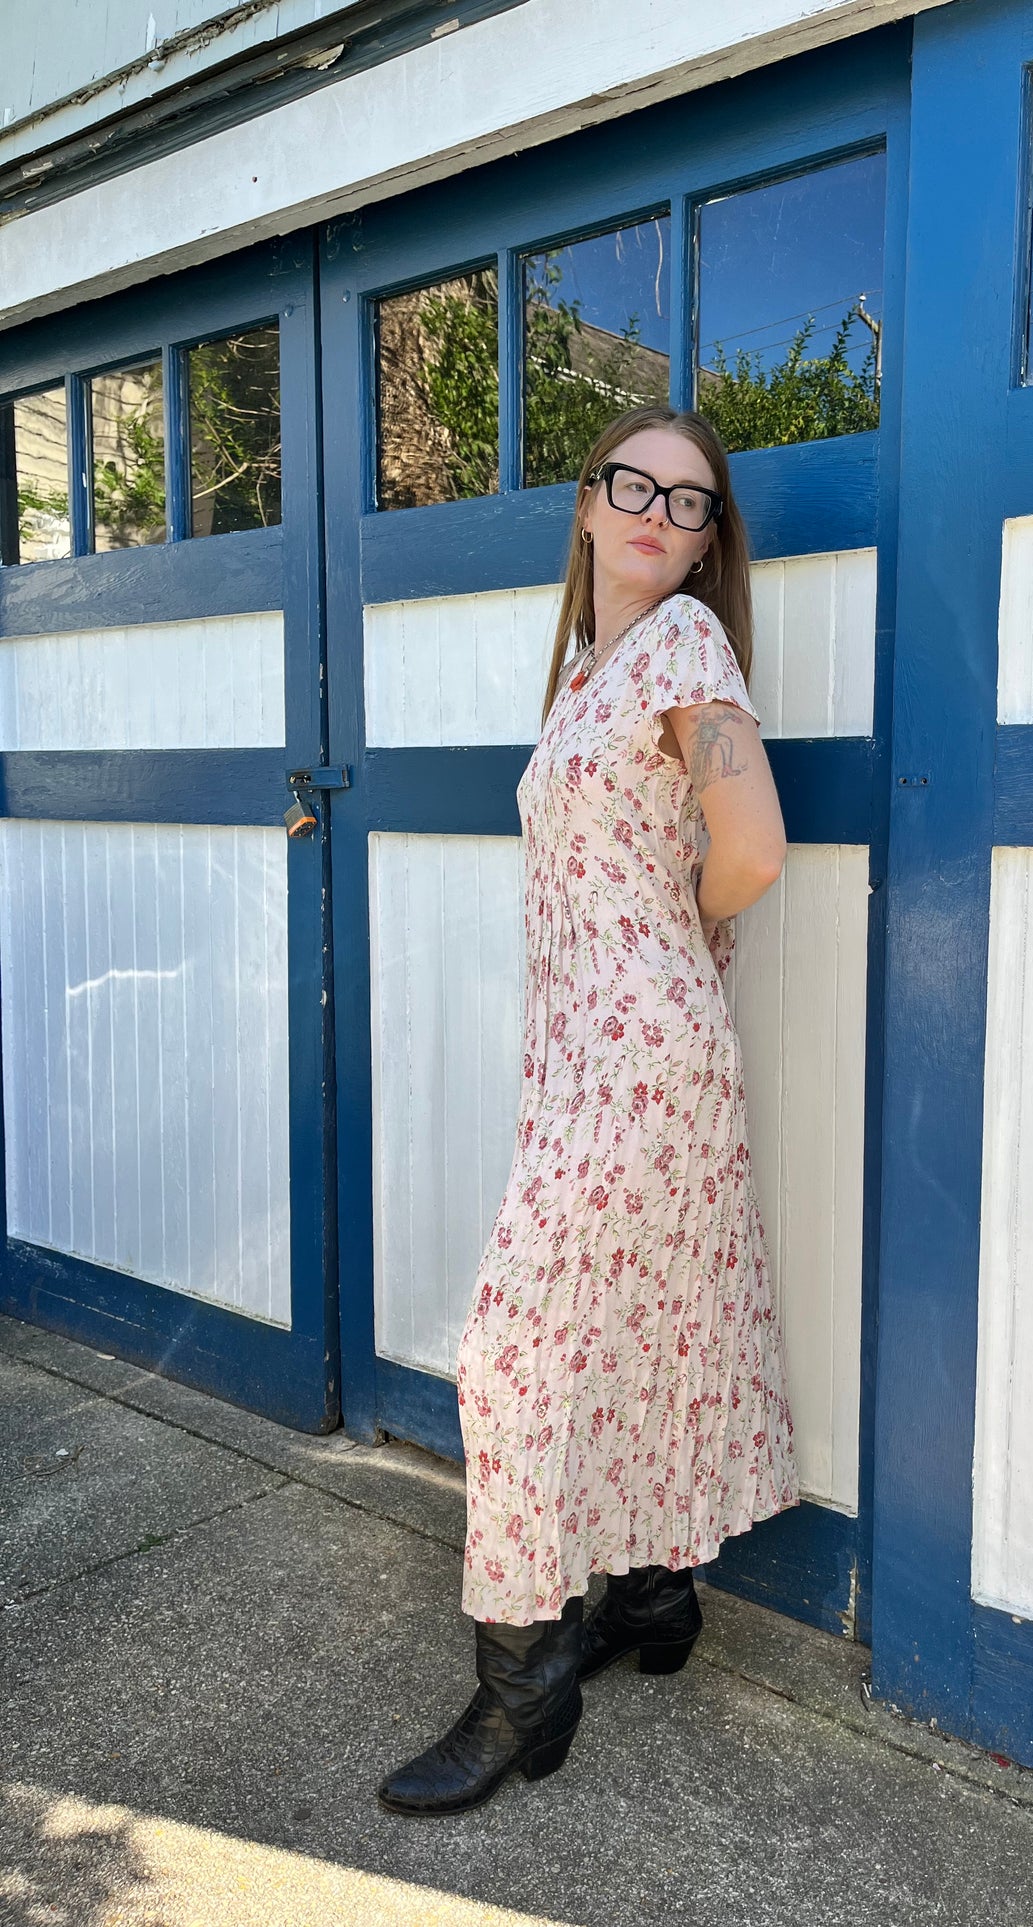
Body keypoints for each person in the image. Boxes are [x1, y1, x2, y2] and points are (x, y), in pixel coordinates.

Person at [378, 403, 800, 1816]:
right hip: (596, 1061)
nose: (657, 515)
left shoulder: (683, 646)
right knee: (647, 1320)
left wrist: (660, 946)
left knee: (514, 1351)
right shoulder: (589, 669)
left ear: (704, 546)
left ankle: (523, 1692)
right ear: (585, 502)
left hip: (639, 1055)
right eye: (634, 485)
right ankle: (652, 1598)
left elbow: (752, 846)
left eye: (690, 505)